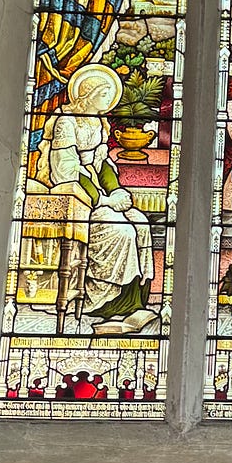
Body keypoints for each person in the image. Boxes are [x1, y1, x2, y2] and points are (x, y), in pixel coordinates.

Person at [34, 62, 156, 334]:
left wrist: (116, 191)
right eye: (104, 94)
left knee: (140, 223)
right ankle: (105, 302)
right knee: (121, 230)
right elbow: (66, 168)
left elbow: (102, 164)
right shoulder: (66, 122)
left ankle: (134, 302)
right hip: (79, 196)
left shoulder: (98, 122)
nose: (108, 100)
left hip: (98, 190)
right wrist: (103, 200)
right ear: (87, 94)